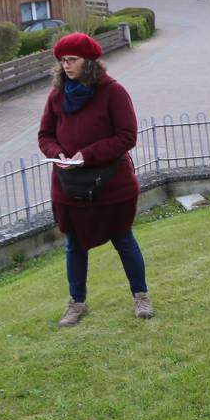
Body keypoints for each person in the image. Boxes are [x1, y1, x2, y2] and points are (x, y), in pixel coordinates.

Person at [36, 32, 151, 327]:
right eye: (62, 61)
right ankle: (77, 304)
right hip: (69, 185)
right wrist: (59, 153)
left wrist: (86, 155)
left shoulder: (113, 92)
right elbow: (45, 135)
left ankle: (141, 297)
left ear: (89, 61)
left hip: (110, 182)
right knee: (74, 244)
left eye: (72, 60)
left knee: (123, 238)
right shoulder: (56, 96)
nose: (66, 66)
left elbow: (127, 136)